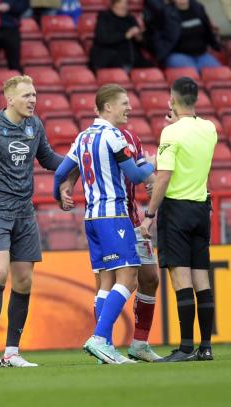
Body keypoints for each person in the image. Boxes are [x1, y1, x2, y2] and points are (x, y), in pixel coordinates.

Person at [0, 75, 63, 368]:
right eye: (27, 95)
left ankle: (12, 352)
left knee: (24, 281)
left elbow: (47, 158)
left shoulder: (35, 125)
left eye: (35, 95)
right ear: (10, 99)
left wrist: (77, 161)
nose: (33, 100)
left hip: (24, 214)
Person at [53, 84, 155, 364]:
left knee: (106, 281)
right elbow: (134, 175)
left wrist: (58, 195)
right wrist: (152, 166)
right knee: (129, 277)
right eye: (124, 103)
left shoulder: (83, 136)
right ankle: (99, 338)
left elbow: (60, 173)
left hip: (91, 218)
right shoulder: (113, 135)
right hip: (114, 215)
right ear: (108, 107)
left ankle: (104, 348)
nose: (129, 108)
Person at [140, 77, 217, 362]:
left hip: (177, 211)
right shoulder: (209, 128)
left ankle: (185, 348)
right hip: (201, 209)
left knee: (180, 278)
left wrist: (149, 215)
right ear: (195, 98)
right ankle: (205, 347)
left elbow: (164, 176)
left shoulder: (170, 133)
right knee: (202, 279)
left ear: (171, 100)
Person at [152, 0, 221, 70]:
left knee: (220, 75)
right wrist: (161, 53)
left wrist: (215, 42)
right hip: (177, 55)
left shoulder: (198, 7)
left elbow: (208, 29)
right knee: (191, 75)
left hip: (202, 54)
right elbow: (156, 35)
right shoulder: (164, 12)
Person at [89, 0, 152, 71]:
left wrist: (139, 37)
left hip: (132, 57)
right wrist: (125, 35)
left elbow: (140, 43)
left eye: (126, 3)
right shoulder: (105, 17)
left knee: (150, 68)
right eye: (121, 3)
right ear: (114, 5)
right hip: (110, 57)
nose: (124, 6)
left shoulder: (130, 19)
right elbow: (103, 38)